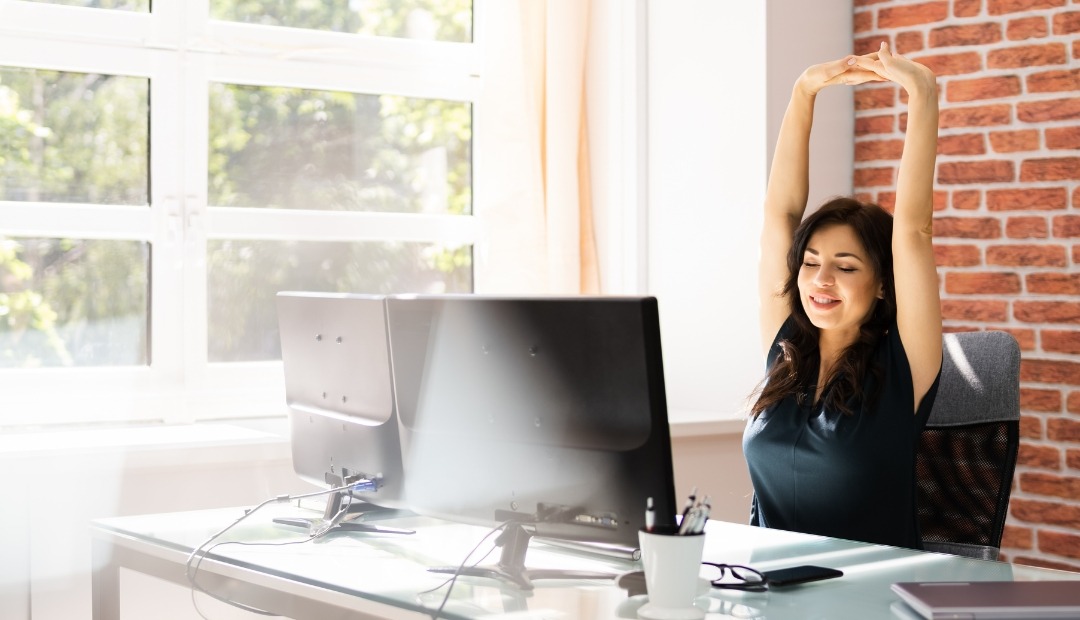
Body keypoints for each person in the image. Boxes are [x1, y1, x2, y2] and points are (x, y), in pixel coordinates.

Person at [742, 42, 942, 550]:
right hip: (764, 588)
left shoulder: (905, 366)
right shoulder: (785, 352)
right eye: (810, 264)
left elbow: (913, 232)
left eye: (845, 266)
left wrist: (921, 91)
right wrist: (804, 91)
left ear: (881, 283)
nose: (819, 280)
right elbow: (778, 217)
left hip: (866, 595)